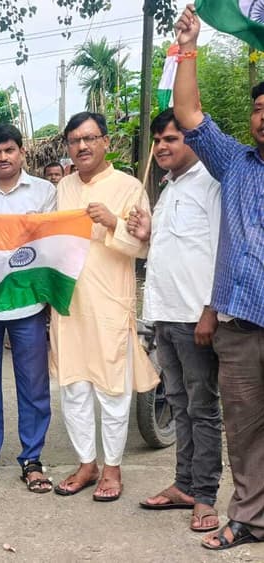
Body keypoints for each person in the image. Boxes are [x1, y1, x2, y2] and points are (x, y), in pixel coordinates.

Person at [172, 4, 264, 551]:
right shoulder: (234, 163)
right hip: (242, 328)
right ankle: (250, 518)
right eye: (258, 108)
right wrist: (188, 47)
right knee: (245, 431)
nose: (262, 116)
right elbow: (188, 113)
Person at [50, 111, 157, 502]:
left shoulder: (129, 187)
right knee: (73, 387)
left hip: (109, 303)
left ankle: (112, 467)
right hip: (68, 305)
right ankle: (86, 463)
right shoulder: (63, 188)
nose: (82, 146)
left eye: (89, 138)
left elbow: (142, 247)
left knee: (113, 389)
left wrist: (113, 222)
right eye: (74, 140)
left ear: (106, 142)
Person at [128, 109, 223, 533]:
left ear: (193, 141)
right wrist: (147, 235)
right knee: (180, 405)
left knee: (203, 408)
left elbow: (223, 250)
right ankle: (184, 484)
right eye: (158, 140)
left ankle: (205, 495)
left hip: (194, 317)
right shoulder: (169, 188)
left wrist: (210, 311)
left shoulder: (211, 184)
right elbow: (170, 252)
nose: (162, 146)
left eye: (171, 138)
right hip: (164, 314)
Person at [0, 124, 56, 494]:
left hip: (28, 302)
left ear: (21, 152)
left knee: (33, 385)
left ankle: (32, 460)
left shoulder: (45, 191)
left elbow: (50, 244)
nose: (3, 157)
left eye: (9, 150)